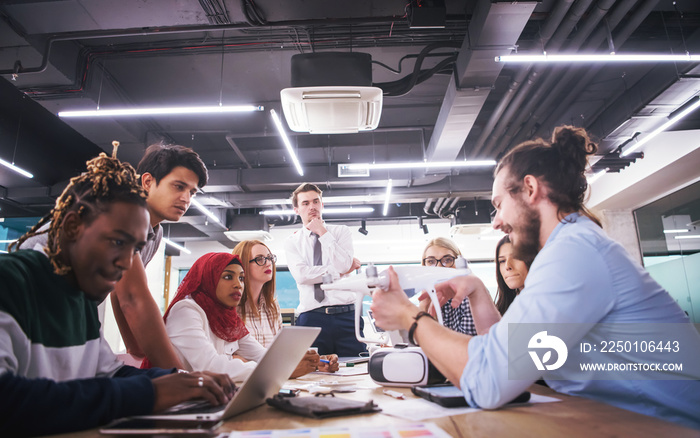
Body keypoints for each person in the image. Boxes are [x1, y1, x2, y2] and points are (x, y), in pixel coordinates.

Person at [370, 125, 700, 430]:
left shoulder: (573, 254)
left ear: (530, 189)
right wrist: (480, 293)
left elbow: (488, 382)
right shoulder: (568, 247)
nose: (496, 222)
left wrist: (409, 316)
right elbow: (513, 357)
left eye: (498, 205)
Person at [0, 152, 233, 436]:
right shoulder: (10, 282)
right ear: (73, 227)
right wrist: (146, 393)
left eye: (134, 249)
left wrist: (181, 381)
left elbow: (107, 372)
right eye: (117, 242)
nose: (125, 263)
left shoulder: (80, 300)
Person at [20, 143, 208, 370]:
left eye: (192, 192)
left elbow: (120, 295)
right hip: (23, 304)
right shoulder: (119, 212)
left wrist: (136, 352)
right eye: (178, 186)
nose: (186, 198)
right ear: (147, 182)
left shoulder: (153, 233)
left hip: (60, 315)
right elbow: (132, 297)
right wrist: (177, 375)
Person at [163, 252, 331, 381]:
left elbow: (263, 355)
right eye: (228, 277)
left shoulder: (227, 318)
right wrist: (281, 370)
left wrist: (314, 362)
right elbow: (210, 366)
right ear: (208, 278)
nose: (238, 284)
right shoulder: (186, 310)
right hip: (179, 404)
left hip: (208, 396)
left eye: (241, 278)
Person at [284, 183, 366, 357]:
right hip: (311, 317)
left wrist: (322, 232)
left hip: (347, 315)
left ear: (322, 204)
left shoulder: (341, 232)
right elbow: (302, 276)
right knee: (311, 374)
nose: (312, 206)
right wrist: (338, 272)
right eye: (305, 203)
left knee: (356, 371)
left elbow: (344, 265)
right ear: (296, 209)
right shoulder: (292, 242)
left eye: (315, 201)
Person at [420, 237, 478, 335]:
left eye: (447, 260)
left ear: (458, 264)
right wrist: (423, 306)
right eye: (431, 261)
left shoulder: (468, 297)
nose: (439, 267)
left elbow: (467, 344)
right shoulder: (429, 297)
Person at [493, 235, 531, 315]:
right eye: (502, 261)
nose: (507, 266)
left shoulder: (548, 305)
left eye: (515, 257)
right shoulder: (500, 311)